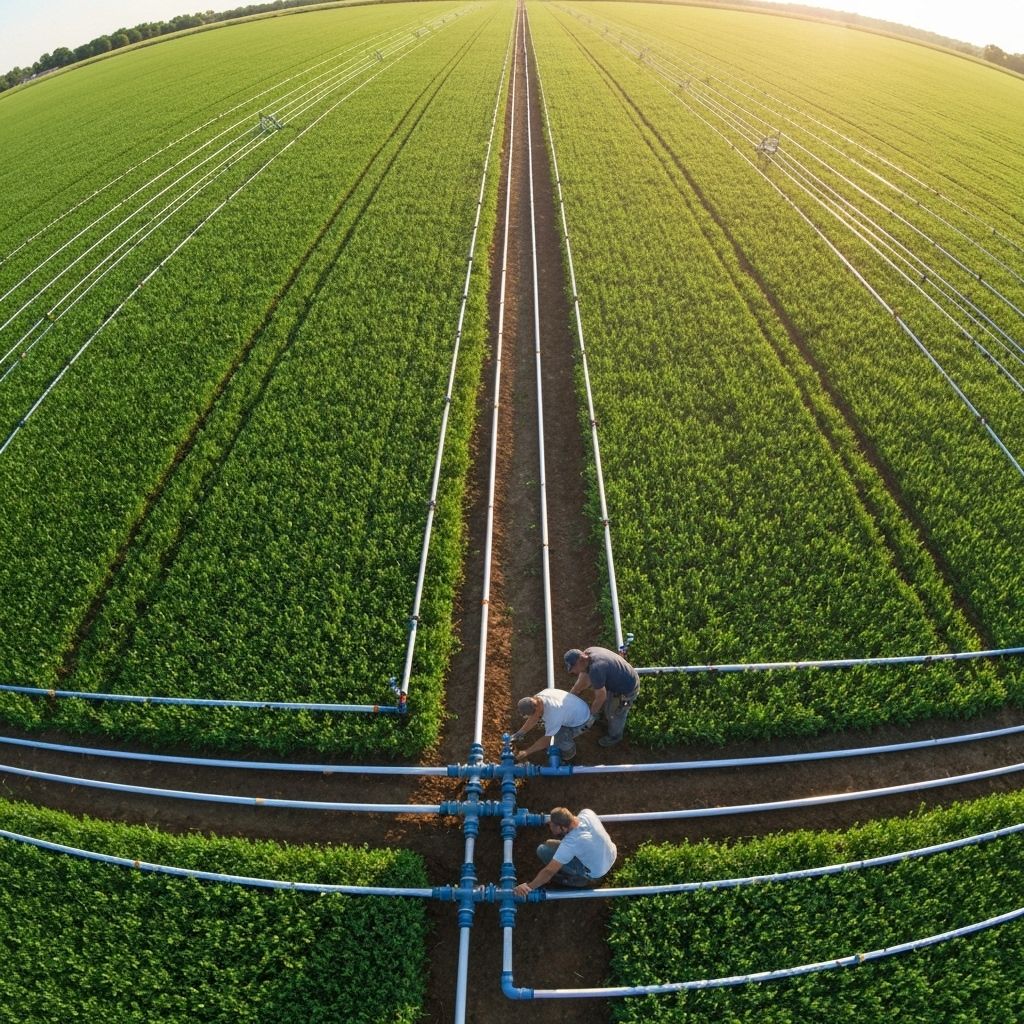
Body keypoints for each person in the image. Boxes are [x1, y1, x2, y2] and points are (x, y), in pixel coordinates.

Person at [513, 806, 617, 894]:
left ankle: (578, 880)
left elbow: (549, 871)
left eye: (553, 826)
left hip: (596, 874)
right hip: (611, 855)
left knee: (543, 851)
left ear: (563, 828)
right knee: (549, 843)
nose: (550, 826)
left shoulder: (570, 843)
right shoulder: (587, 813)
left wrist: (529, 887)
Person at [564, 646, 640, 747]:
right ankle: (603, 714)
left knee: (615, 714)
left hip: (627, 689)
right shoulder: (588, 653)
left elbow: (601, 697)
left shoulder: (596, 669)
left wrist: (590, 716)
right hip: (618, 678)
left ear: (580, 660)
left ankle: (614, 737)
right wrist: (570, 697)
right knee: (607, 704)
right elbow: (582, 680)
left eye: (573, 668)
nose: (572, 672)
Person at [510, 688, 595, 763]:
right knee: (553, 727)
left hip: (582, 721)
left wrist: (526, 752)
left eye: (531, 714)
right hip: (576, 708)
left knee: (560, 738)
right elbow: (534, 718)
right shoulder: (538, 698)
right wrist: (519, 734)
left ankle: (569, 756)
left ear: (536, 709)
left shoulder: (553, 714)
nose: (531, 717)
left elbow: (547, 740)